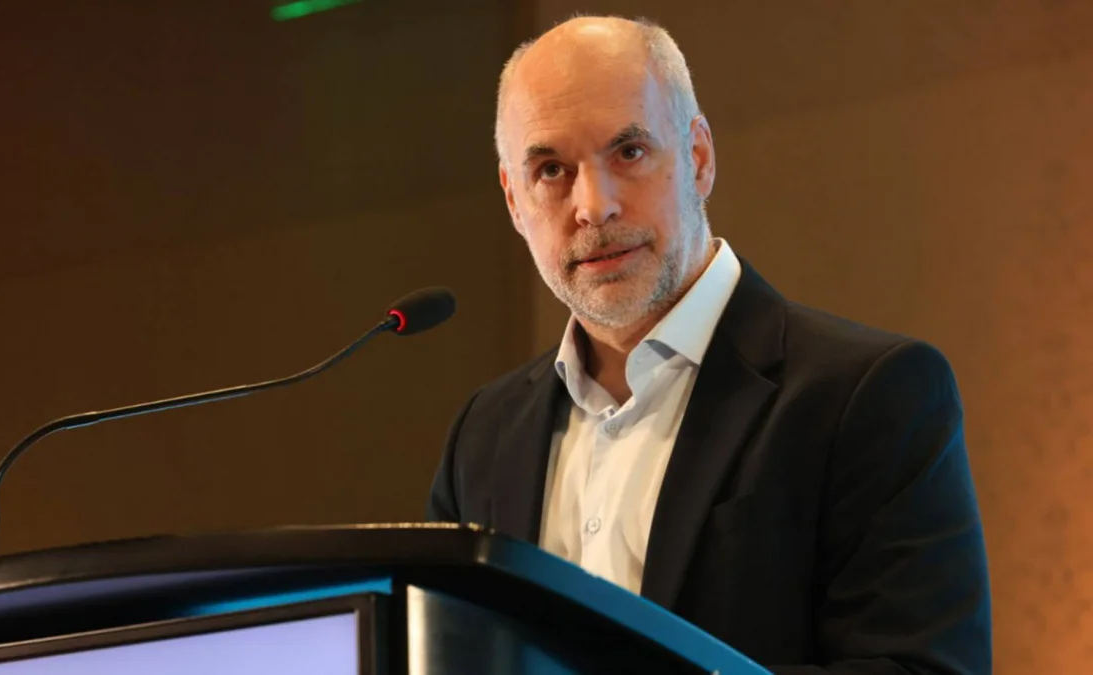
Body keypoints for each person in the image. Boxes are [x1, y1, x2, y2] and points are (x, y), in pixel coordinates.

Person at [425, 14, 992, 675]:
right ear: (514, 202)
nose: (594, 206)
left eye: (628, 152)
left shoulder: (871, 395)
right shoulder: (483, 435)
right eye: (551, 169)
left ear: (698, 157)